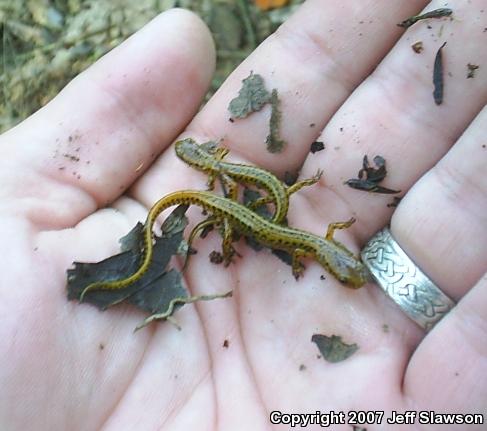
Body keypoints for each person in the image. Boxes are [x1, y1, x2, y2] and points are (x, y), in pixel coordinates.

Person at [0, 4, 486, 430]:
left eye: (344, 270)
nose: (342, 270)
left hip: (240, 209)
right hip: (234, 212)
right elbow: (296, 244)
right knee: (236, 222)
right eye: (344, 270)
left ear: (336, 259)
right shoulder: (303, 243)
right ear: (332, 260)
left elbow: (315, 236)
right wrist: (263, 249)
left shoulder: (320, 240)